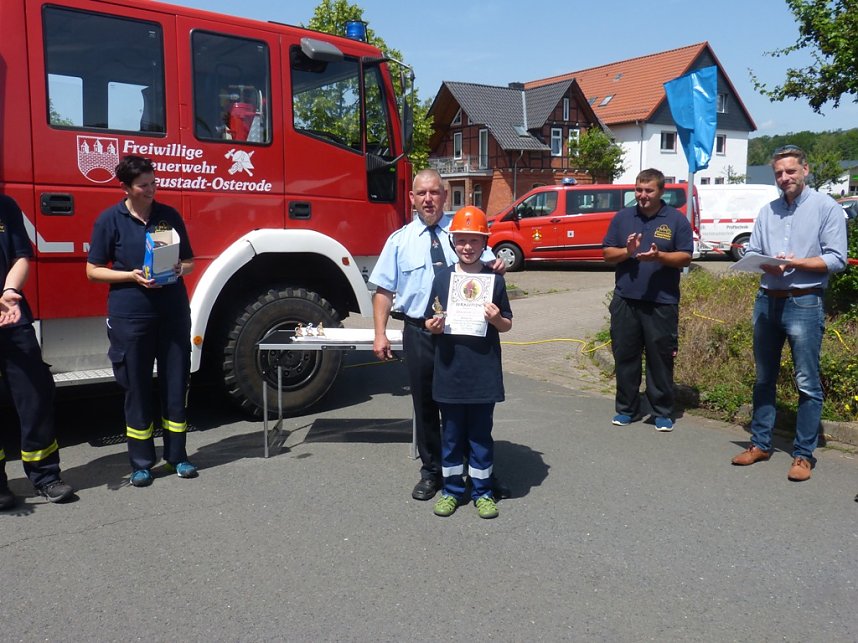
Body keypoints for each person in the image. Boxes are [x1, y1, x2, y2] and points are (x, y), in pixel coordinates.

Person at [370, 169, 507, 501]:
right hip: (421, 333)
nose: (428, 199)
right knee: (426, 404)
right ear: (413, 199)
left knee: (467, 405)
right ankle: (433, 472)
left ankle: (475, 473)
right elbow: (384, 291)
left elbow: (490, 270)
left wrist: (499, 266)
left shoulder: (464, 232)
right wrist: (380, 334)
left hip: (464, 336)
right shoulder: (399, 241)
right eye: (422, 193)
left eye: (434, 192)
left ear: (445, 196)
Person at [731, 145, 847, 481]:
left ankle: (803, 455)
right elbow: (752, 248)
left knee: (807, 382)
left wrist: (795, 264)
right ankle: (761, 443)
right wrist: (766, 262)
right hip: (767, 298)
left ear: (805, 170)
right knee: (763, 377)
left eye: (790, 171)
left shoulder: (826, 207)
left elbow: (837, 258)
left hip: (804, 302)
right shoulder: (767, 211)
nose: (785, 178)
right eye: (779, 173)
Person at [86, 156, 198, 488]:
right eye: (143, 185)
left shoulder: (169, 216)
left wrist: (180, 269)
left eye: (153, 183)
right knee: (136, 387)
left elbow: (189, 260)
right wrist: (131, 276)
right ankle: (141, 462)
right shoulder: (110, 220)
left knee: (176, 383)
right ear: (126, 188)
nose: (151, 190)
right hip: (131, 314)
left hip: (173, 312)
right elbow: (93, 271)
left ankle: (178, 456)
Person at [424, 206, 512, 519]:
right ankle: (451, 490)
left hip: (483, 373)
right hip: (450, 371)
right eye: (461, 240)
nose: (467, 247)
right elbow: (430, 318)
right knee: (450, 436)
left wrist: (497, 318)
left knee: (480, 437)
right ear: (452, 242)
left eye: (474, 241)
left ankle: (483, 492)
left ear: (484, 243)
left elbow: (507, 326)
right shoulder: (443, 278)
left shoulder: (494, 282)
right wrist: (431, 326)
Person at [602, 168, 694, 432]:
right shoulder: (622, 218)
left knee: (660, 359)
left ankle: (662, 411)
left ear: (661, 191)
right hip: (626, 300)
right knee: (625, 357)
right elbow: (608, 254)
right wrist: (627, 251)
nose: (642, 195)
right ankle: (626, 409)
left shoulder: (676, 221)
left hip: (661, 302)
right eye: (639, 190)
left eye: (648, 190)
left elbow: (686, 257)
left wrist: (660, 257)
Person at [0, 195, 74, 510]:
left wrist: (10, 291)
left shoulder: (6, 206)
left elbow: (20, 256)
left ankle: (45, 476)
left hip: (13, 319)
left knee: (35, 397)